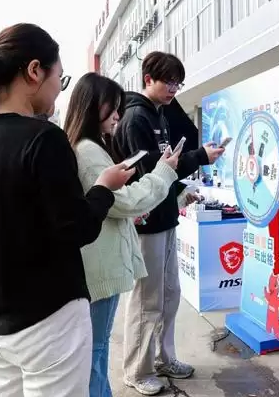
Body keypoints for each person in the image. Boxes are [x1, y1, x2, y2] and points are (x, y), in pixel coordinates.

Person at [0, 23, 134, 397]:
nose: (58, 89)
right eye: (59, 78)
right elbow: (78, 228)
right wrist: (103, 187)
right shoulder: (43, 138)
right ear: (34, 71)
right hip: (48, 318)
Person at [63, 72, 182, 397]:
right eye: (112, 106)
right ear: (91, 106)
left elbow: (114, 204)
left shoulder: (89, 146)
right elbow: (122, 200)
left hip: (102, 260)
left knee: (97, 349)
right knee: (96, 351)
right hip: (101, 264)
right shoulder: (89, 151)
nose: (118, 114)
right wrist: (163, 172)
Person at [113, 51, 225, 395]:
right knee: (147, 300)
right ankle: (137, 369)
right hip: (146, 223)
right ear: (148, 79)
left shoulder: (159, 114)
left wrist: (180, 191)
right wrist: (199, 157)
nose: (174, 89)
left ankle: (164, 357)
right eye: (169, 82)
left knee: (170, 295)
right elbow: (149, 172)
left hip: (165, 219)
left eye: (178, 83)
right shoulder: (135, 118)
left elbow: (167, 170)